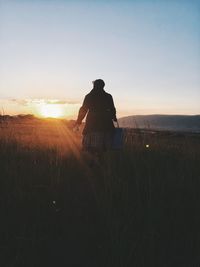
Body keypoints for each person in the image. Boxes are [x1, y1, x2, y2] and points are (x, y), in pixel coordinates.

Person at [74, 79, 117, 152]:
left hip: (92, 126)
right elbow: (112, 109)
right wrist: (114, 117)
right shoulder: (108, 96)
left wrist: (78, 121)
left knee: (90, 151)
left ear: (94, 86)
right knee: (106, 151)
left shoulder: (89, 96)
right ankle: (106, 162)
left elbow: (83, 110)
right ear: (103, 86)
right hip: (107, 126)